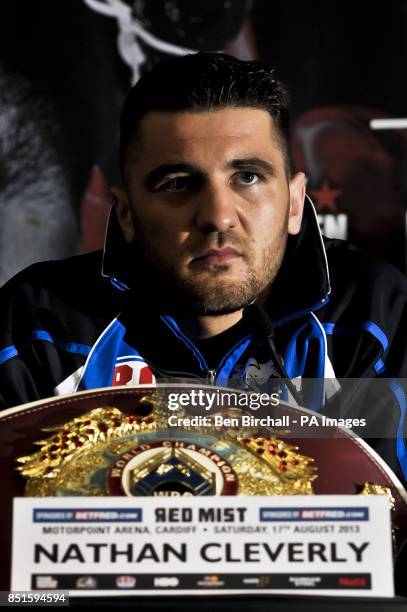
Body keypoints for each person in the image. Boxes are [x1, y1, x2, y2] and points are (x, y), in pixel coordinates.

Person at [0, 52, 406, 485]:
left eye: (247, 177)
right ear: (125, 215)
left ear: (293, 203)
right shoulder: (40, 324)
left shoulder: (368, 313)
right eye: (177, 183)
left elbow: (392, 524)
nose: (217, 216)